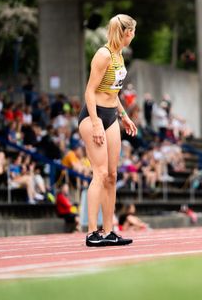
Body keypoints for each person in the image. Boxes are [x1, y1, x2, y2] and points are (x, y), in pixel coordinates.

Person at [78, 14, 138, 247]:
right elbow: (90, 91)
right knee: (100, 174)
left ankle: (109, 230)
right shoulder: (103, 55)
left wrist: (124, 116)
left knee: (112, 175)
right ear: (127, 33)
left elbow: (113, 92)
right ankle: (92, 232)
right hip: (94, 116)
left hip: (112, 115)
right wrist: (95, 124)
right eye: (133, 33)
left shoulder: (119, 55)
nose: (133, 37)